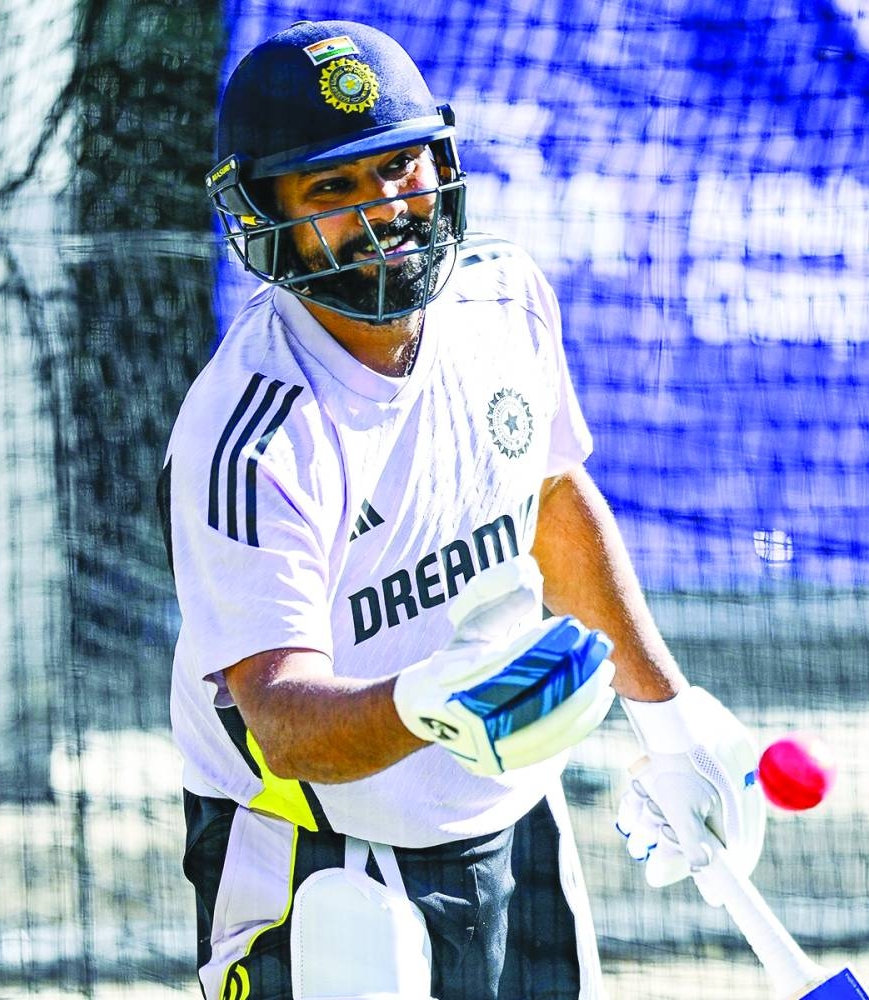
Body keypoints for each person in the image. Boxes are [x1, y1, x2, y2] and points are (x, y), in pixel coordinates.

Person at [159, 18, 766, 1000]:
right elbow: (281, 721)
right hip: (315, 852)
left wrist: (671, 714)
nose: (382, 208)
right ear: (265, 218)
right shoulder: (256, 434)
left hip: (513, 824)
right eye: (331, 189)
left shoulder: (503, 295)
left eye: (396, 168)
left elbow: (552, 497)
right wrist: (426, 702)